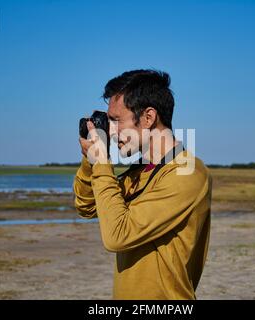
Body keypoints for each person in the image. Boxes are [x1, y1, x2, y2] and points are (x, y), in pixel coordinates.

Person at [73, 69, 212, 299]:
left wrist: (102, 163)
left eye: (116, 121)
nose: (112, 132)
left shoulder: (187, 172)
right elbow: (87, 207)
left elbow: (118, 236)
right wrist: (91, 162)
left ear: (148, 117)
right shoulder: (139, 173)